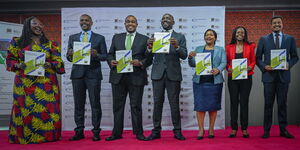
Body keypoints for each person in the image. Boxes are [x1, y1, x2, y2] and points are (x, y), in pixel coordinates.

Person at [6, 16, 65, 144]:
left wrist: (50, 64)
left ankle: (48, 136)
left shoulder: (51, 44)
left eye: (41, 24)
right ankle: (24, 137)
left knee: (47, 110)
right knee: (25, 109)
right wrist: (17, 65)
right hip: (25, 84)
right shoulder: (17, 42)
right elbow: (10, 59)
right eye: (35, 23)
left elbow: (59, 62)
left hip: (46, 84)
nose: (39, 26)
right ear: (27, 25)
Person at [105, 15, 151, 141]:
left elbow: (149, 57)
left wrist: (141, 63)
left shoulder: (144, 39)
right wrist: (111, 61)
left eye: (133, 22)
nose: (130, 23)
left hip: (136, 76)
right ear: (125, 24)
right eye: (128, 21)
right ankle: (116, 133)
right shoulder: (116, 37)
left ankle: (139, 133)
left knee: (136, 106)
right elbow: (109, 54)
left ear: (137, 24)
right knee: (117, 106)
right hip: (118, 76)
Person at [146, 13, 187, 141]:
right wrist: (149, 47)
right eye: (163, 19)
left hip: (173, 75)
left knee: (174, 103)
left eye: (168, 18)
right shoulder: (155, 36)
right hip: (157, 75)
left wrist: (177, 47)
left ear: (173, 22)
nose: (165, 20)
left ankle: (177, 131)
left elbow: (184, 55)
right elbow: (148, 57)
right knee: (157, 103)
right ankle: (156, 131)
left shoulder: (179, 37)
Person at [66, 14, 107, 141]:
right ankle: (79, 131)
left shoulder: (99, 38)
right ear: (79, 22)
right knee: (78, 104)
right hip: (77, 74)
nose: (84, 22)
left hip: (93, 74)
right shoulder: (72, 37)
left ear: (91, 22)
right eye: (82, 20)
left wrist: (96, 54)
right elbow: (69, 57)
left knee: (95, 103)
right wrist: (69, 54)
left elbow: (105, 56)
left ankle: (96, 131)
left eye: (86, 20)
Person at [256, 15, 298, 139]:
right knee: (268, 104)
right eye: (274, 23)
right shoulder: (263, 39)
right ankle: (266, 131)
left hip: (284, 77)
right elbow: (258, 58)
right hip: (268, 77)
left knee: (282, 104)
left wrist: (288, 64)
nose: (277, 25)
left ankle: (283, 130)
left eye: (279, 23)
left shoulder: (290, 39)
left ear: (282, 24)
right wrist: (264, 67)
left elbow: (295, 57)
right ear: (271, 25)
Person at [188, 29, 226, 140]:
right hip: (200, 82)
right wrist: (190, 57)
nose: (208, 36)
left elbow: (224, 62)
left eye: (211, 35)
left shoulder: (220, 49)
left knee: (213, 107)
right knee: (200, 107)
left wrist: (218, 69)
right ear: (204, 37)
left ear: (215, 37)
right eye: (207, 35)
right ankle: (200, 129)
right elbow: (193, 64)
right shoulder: (199, 49)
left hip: (215, 82)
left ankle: (211, 129)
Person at [226, 26, 256, 138]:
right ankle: (234, 128)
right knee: (234, 103)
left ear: (245, 34)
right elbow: (227, 62)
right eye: (238, 32)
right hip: (233, 78)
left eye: (242, 32)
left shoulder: (250, 46)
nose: (240, 34)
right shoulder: (229, 47)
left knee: (244, 103)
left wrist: (250, 67)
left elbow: (253, 61)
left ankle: (244, 128)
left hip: (246, 78)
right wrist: (228, 68)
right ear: (234, 34)